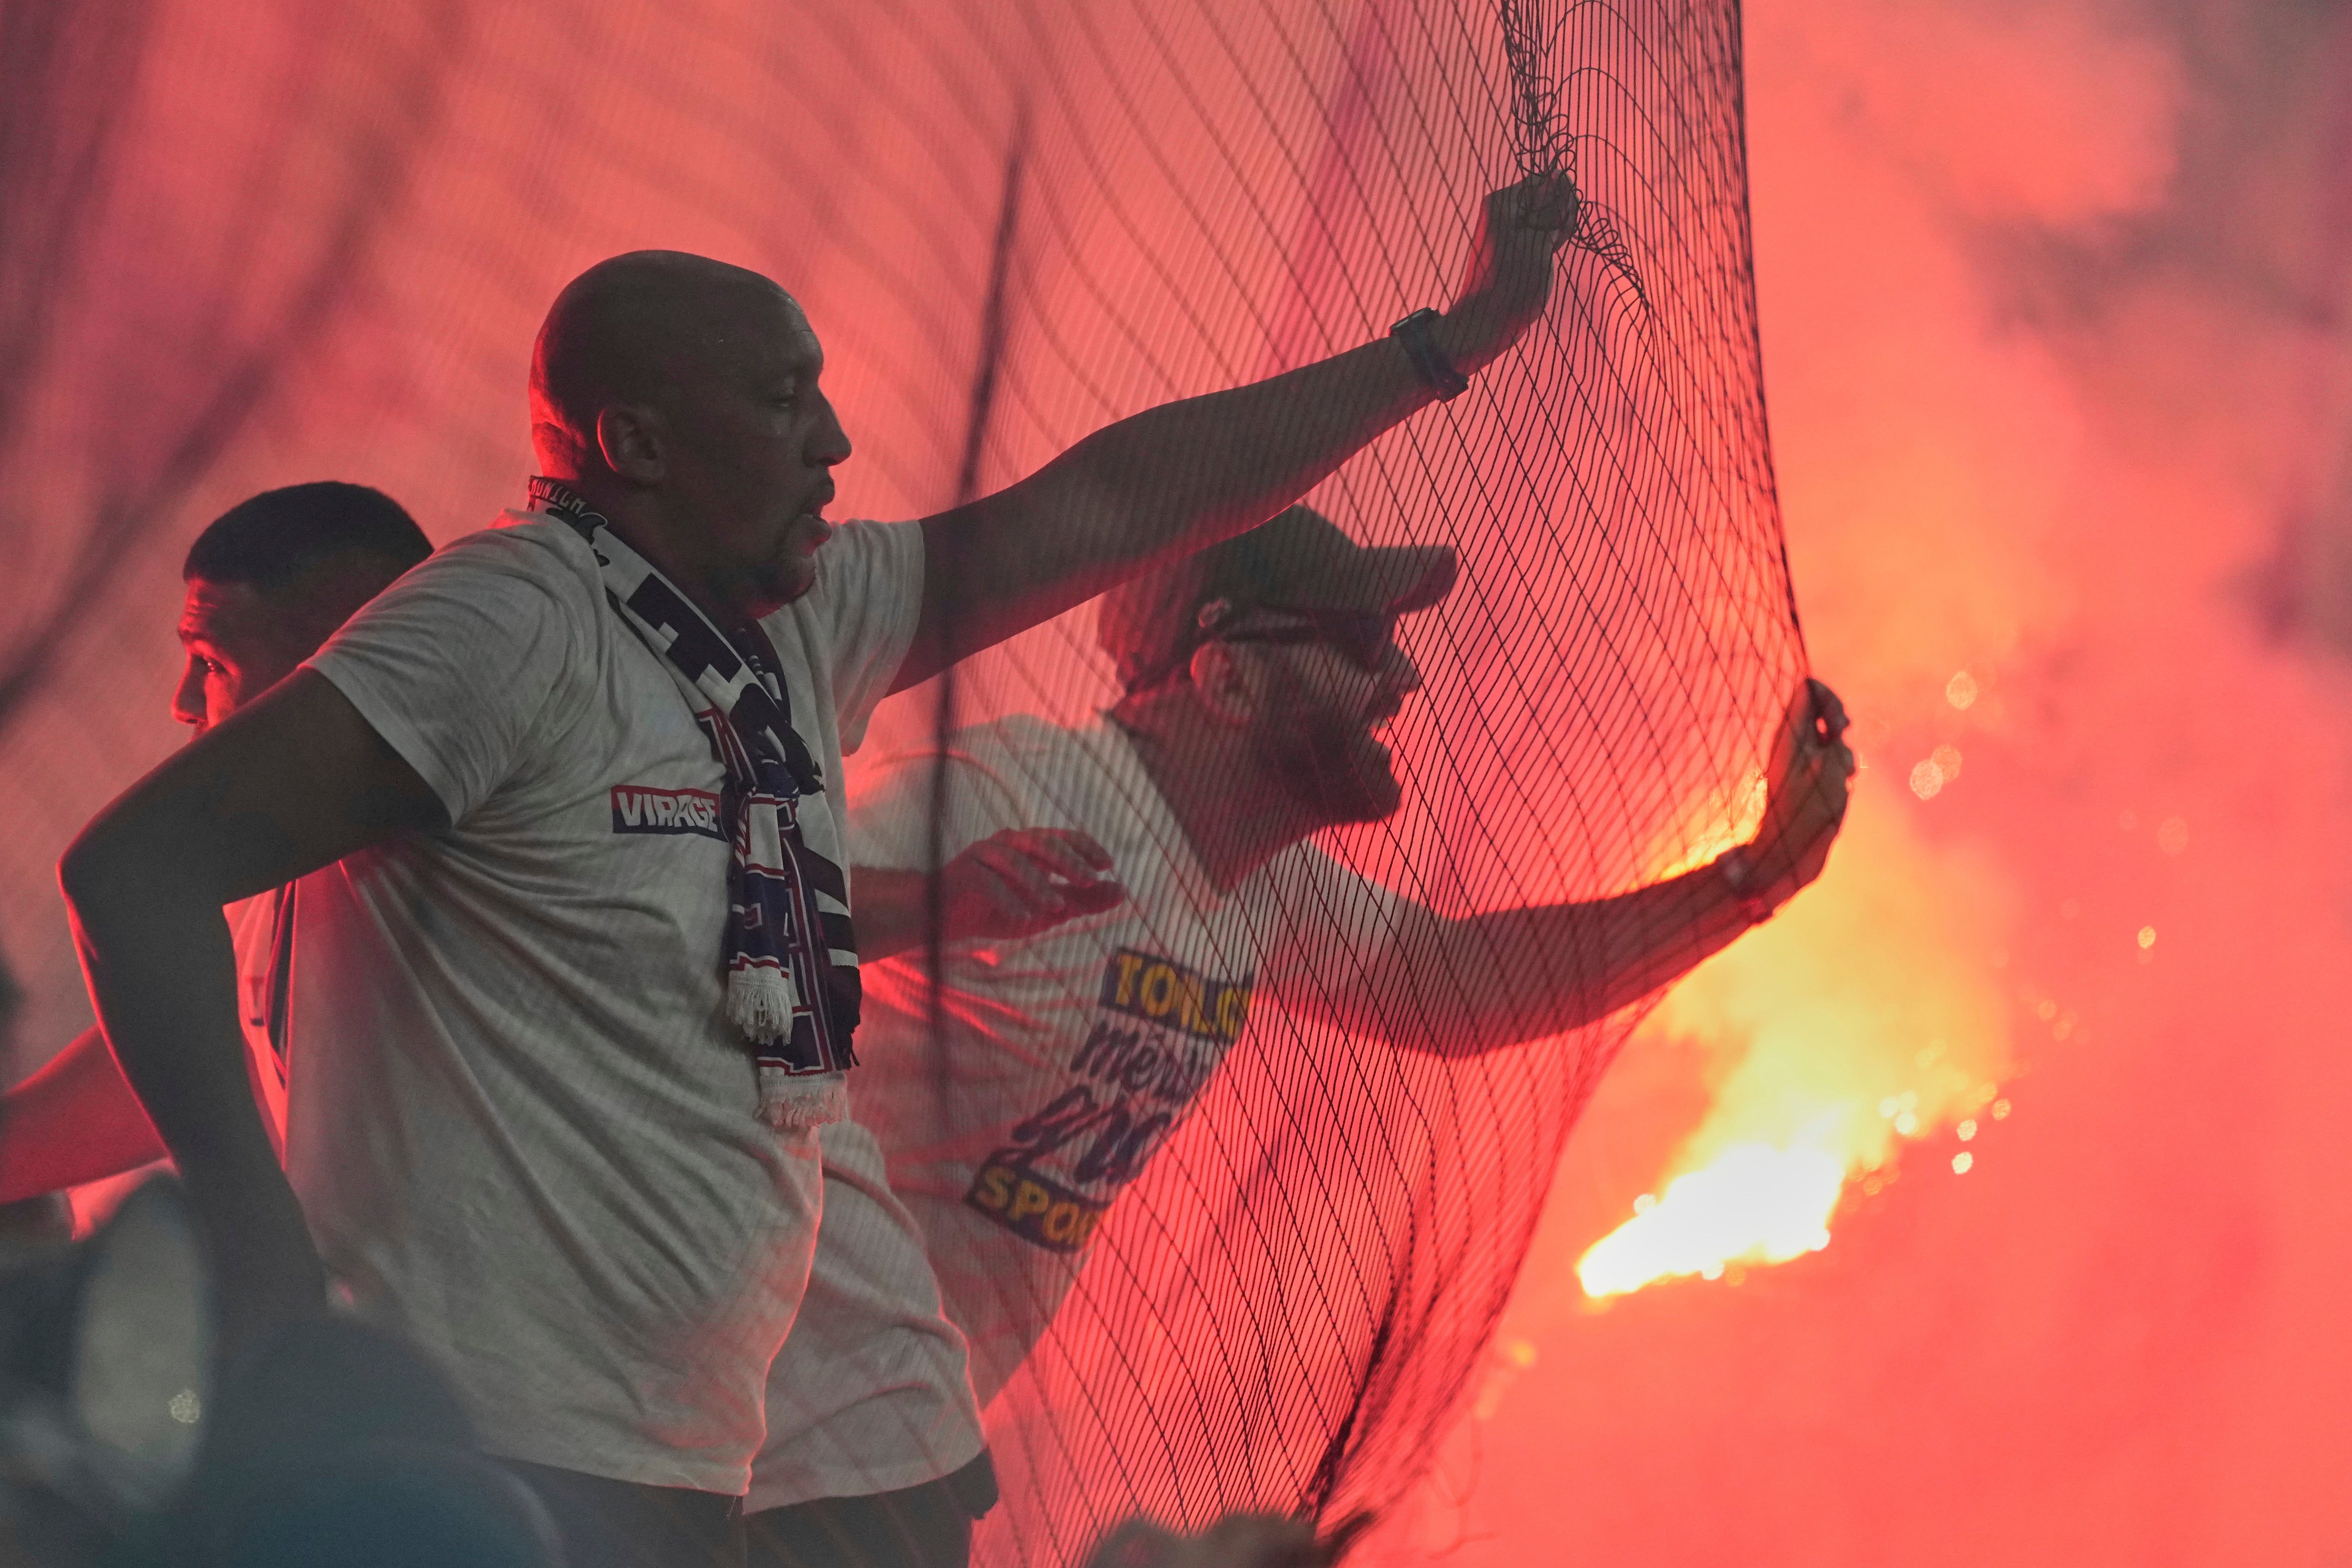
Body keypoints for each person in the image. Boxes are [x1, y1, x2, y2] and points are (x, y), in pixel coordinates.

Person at [58, 176, 1581, 1568]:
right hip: (467, 1475)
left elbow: (1112, 502)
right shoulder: (510, 625)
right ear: (633, 445)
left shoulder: (794, 617)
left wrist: (1440, 351)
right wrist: (259, 1263)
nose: (832, 440)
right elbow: (138, 871)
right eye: (783, 398)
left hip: (693, 1476)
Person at [741, 505, 1855, 1565]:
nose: (1400, 677)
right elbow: (733, 904)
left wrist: (1749, 880)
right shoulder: (1012, 793)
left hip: (876, 1460)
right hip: (733, 1437)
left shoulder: (1262, 886)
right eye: (1358, 639)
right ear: (1224, 673)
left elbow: (1445, 983)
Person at [0, 483, 431, 1207]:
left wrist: (247, 1231)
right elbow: (184, 1060)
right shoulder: (280, 872)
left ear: (336, 664)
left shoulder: (445, 852)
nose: (183, 703)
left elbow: (123, 885)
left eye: (212, 661)